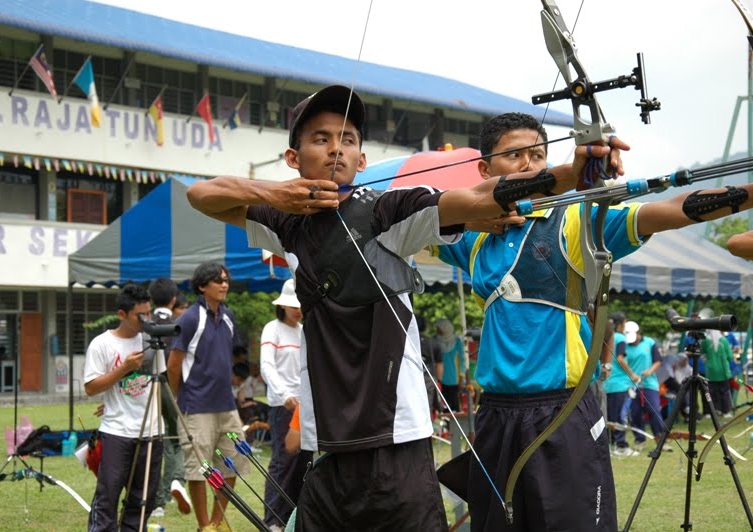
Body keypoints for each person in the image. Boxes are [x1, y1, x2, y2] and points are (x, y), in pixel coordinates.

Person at [184, 85, 609, 531]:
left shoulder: (390, 210)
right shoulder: (286, 223)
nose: (336, 150)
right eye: (321, 139)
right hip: (326, 441)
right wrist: (276, 194)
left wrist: (568, 174)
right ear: (294, 158)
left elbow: (479, 197)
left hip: (397, 441)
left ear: (362, 160)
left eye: (348, 140)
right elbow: (202, 195)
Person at [432, 111, 753, 531]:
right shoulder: (473, 237)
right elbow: (416, 219)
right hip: (496, 416)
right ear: (484, 168)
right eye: (515, 156)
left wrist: (747, 193)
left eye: (539, 155)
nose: (530, 164)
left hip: (561, 412)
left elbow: (669, 210)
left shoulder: (575, 222)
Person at [168, 262, 248, 532]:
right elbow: (174, 365)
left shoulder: (228, 317)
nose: (224, 284)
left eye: (226, 280)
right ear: (203, 287)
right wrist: (181, 398)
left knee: (233, 463)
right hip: (196, 407)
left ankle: (217, 522)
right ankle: (204, 526)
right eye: (217, 280)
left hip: (227, 405)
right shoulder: (190, 318)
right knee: (199, 470)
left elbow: (233, 357)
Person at [83, 284, 164, 531]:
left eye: (148, 313)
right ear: (121, 315)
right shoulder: (102, 344)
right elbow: (91, 387)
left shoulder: (151, 341)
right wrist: (124, 369)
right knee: (107, 497)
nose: (146, 320)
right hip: (117, 431)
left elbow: (158, 384)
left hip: (151, 430)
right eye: (140, 315)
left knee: (142, 500)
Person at [259, 279, 304, 530]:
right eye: (292, 305)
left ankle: (294, 516)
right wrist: (284, 394)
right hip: (282, 405)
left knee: (301, 461)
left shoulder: (304, 331)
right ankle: (273, 518)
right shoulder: (272, 329)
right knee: (282, 460)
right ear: (283, 306)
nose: (298, 310)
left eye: (300, 305)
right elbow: (267, 366)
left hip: (304, 405)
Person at [148, 278, 192, 518]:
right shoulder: (180, 325)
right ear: (174, 300)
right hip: (172, 387)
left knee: (153, 442)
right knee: (176, 441)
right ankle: (174, 483)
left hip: (144, 389)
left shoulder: (144, 324)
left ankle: (153, 501)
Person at [621, 321, 669, 452]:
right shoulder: (625, 346)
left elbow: (658, 360)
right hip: (632, 385)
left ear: (638, 333)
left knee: (654, 411)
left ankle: (661, 441)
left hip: (649, 383)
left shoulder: (649, 342)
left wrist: (649, 371)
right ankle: (639, 440)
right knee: (635, 413)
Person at [604, 312, 638, 456]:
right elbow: (620, 359)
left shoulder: (607, 337)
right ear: (621, 324)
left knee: (610, 416)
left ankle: (611, 446)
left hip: (607, 384)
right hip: (620, 384)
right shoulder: (621, 338)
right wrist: (633, 375)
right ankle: (621, 446)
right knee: (621, 416)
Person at [700, 311, 735, 418]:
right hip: (723, 370)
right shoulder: (724, 341)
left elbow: (702, 352)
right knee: (724, 392)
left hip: (710, 371)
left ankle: (714, 410)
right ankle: (726, 411)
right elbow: (729, 356)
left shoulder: (706, 341)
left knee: (711, 393)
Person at [435, 319, 466, 412]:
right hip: (440, 378)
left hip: (454, 378)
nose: (437, 331)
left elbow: (462, 360)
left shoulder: (457, 341)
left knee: (455, 405)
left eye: (439, 329)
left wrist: (462, 377)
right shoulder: (435, 341)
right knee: (444, 405)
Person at [416, 315, 441, 414]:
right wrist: (439, 380)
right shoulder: (432, 342)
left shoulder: (407, 341)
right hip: (429, 377)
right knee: (427, 406)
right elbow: (439, 364)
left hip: (412, 377)